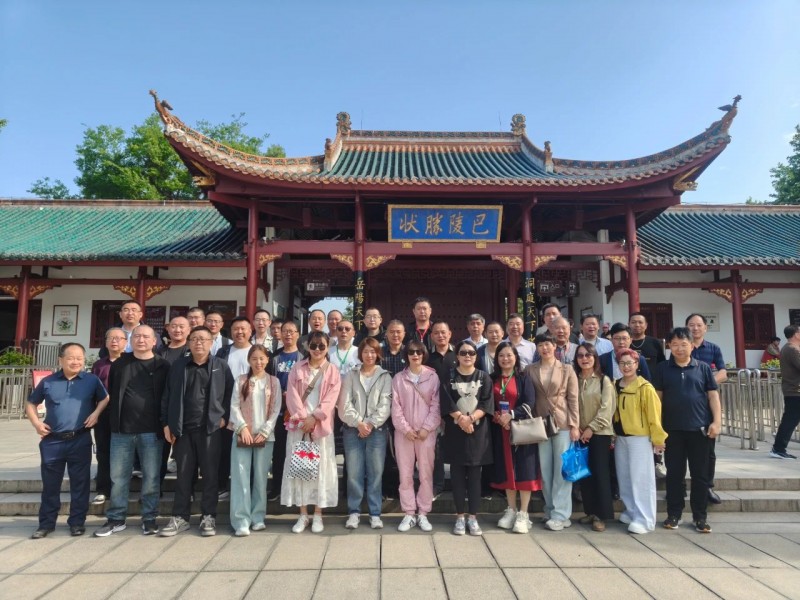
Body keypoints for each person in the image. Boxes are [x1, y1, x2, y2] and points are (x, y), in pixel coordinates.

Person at [26, 343, 108, 538]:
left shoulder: (91, 380)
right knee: (50, 485)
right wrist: (36, 424)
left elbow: (105, 398)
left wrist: (96, 413)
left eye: (79, 358)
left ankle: (77, 523)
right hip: (52, 441)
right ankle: (46, 524)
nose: (75, 361)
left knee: (80, 484)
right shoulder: (48, 381)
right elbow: (31, 403)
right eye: (71, 358)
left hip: (80, 439)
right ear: (61, 360)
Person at [95, 325, 170, 537]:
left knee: (151, 477)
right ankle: (116, 518)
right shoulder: (120, 364)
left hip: (152, 431)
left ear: (154, 341)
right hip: (122, 431)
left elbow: (167, 396)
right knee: (118, 477)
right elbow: (113, 392)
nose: (141, 340)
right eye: (137, 336)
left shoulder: (163, 365)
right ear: (131, 340)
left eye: (146, 337)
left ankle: (149, 518)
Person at [160, 326, 234, 537]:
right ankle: (180, 517)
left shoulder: (220, 366)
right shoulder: (178, 366)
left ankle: (208, 516)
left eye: (203, 339)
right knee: (183, 474)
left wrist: (224, 417)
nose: (199, 343)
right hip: (183, 429)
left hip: (211, 429)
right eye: (194, 339)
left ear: (211, 343)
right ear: (189, 343)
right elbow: (167, 395)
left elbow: (231, 394)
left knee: (210, 475)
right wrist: (166, 423)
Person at [653, 328, 720, 534]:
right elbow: (658, 400)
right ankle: (674, 514)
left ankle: (700, 517)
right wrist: (658, 429)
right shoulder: (663, 368)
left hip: (699, 430)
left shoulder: (703, 368)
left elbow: (713, 396)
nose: (679, 348)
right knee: (674, 474)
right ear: (669, 347)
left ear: (692, 345)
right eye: (674, 344)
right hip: (672, 431)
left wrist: (717, 422)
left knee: (700, 475)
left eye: (683, 344)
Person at [283, 331, 341, 533]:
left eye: (321, 346)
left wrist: (314, 417)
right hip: (300, 426)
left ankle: (318, 514)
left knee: (320, 471)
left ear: (327, 347)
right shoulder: (297, 368)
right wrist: (302, 418)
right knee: (301, 469)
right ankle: (303, 514)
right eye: (314, 345)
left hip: (321, 427)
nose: (317, 350)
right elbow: (291, 396)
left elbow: (331, 399)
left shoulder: (332, 371)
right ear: (307, 346)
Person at [524, 332, 579, 531]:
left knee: (561, 470)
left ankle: (561, 514)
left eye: (548, 344)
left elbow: (573, 398)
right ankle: (549, 509)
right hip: (540, 423)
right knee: (546, 470)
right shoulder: (530, 369)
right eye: (541, 345)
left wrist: (575, 425)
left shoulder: (566, 369)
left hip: (562, 422)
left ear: (555, 346)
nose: (545, 348)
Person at [440, 340, 494, 536]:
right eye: (463, 352)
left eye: (471, 352)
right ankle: (459, 517)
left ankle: (473, 517)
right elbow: (446, 401)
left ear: (476, 356)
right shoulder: (449, 376)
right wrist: (461, 419)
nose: (467, 356)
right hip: (455, 433)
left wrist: (470, 419)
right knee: (456, 477)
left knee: (474, 477)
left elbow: (487, 403)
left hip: (477, 433)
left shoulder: (483, 377)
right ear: (457, 355)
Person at [337, 338, 392, 529]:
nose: (369, 355)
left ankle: (375, 513)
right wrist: (359, 423)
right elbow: (344, 404)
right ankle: (354, 511)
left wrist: (370, 424)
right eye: (366, 351)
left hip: (377, 431)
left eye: (373, 352)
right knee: (354, 472)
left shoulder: (385, 376)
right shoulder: (351, 375)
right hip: (353, 430)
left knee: (376, 472)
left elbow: (385, 405)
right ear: (360, 353)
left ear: (378, 354)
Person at [228, 345, 281, 536]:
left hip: (265, 436)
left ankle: (258, 517)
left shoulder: (274, 382)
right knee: (240, 477)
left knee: (260, 478)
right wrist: (242, 428)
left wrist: (266, 430)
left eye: (262, 358)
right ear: (249, 360)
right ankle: (241, 520)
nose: (258, 362)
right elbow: (234, 406)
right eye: (254, 359)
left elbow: (276, 409)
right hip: (243, 435)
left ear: (267, 360)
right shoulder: (241, 380)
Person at [613, 348, 667, 534]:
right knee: (625, 477)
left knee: (641, 479)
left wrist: (658, 439)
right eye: (622, 363)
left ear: (637, 364)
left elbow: (654, 416)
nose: (626, 367)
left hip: (640, 438)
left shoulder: (645, 387)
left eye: (630, 363)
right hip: (621, 437)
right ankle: (631, 511)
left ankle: (645, 519)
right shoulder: (616, 385)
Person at [490, 341, 540, 534]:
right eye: (501, 355)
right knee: (507, 470)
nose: (505, 359)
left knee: (524, 470)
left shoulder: (523, 378)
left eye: (509, 355)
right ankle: (510, 510)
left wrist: (511, 415)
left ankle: (523, 514)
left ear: (516, 358)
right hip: (500, 430)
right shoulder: (492, 378)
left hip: (521, 430)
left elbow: (530, 402)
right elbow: (488, 402)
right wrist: (498, 416)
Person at [391, 340, 441, 532]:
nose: (415, 355)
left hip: (426, 434)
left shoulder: (432, 377)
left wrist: (426, 428)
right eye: (411, 352)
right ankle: (409, 512)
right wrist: (405, 429)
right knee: (405, 474)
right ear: (406, 355)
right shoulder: (398, 378)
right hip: (404, 434)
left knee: (426, 473)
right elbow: (396, 408)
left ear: (423, 354)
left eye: (419, 352)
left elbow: (436, 406)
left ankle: (423, 512)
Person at [686, 313, 727, 505]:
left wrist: (706, 383)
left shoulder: (713, 348)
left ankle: (707, 487)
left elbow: (723, 372)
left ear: (705, 328)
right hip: (685, 403)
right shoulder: (682, 348)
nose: (695, 328)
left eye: (698, 325)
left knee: (708, 449)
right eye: (691, 325)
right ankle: (677, 486)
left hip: (707, 403)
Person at [573, 343, 615, 532]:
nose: (584, 359)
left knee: (600, 473)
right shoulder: (574, 379)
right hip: (580, 433)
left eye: (588, 355)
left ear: (595, 357)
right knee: (585, 475)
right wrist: (577, 427)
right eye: (580, 355)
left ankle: (601, 515)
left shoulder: (603, 380)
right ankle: (590, 511)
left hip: (599, 433)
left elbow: (607, 409)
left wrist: (591, 428)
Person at [216, 316, 254, 500]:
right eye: (236, 329)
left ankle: (247, 488)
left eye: (243, 329)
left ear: (250, 331)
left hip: (251, 408)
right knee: (223, 449)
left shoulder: (258, 352)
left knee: (248, 450)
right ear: (230, 332)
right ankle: (222, 486)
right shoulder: (223, 352)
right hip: (226, 407)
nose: (240, 332)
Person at [266, 321, 303, 501]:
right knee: (279, 452)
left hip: (298, 413)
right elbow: (268, 382)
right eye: (285, 331)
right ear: (279, 334)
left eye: (291, 331)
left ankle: (297, 490)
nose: (288, 334)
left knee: (298, 451)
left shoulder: (304, 357)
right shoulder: (274, 358)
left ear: (298, 334)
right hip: (279, 413)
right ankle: (277, 488)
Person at [90, 328, 127, 505]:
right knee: (103, 451)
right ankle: (103, 489)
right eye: (111, 338)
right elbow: (92, 390)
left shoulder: (130, 362)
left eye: (119, 338)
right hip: (103, 413)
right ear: (105, 342)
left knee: (123, 452)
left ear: (126, 342)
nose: (114, 341)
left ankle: (121, 489)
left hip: (125, 414)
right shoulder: (99, 365)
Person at [770, 325, 800, 459]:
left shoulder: (789, 348)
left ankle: (778, 448)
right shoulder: (792, 349)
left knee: (790, 420)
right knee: (790, 420)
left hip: (793, 390)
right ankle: (778, 448)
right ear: (796, 334)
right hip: (795, 391)